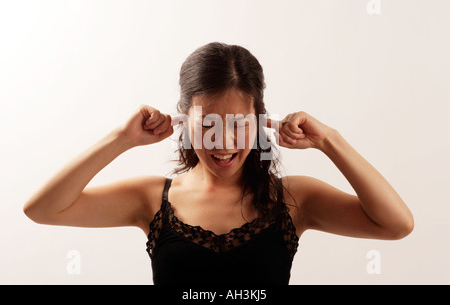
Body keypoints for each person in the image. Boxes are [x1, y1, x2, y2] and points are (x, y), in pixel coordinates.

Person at [23, 42, 414, 285]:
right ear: (184, 120)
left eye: (240, 124)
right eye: (209, 123)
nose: (224, 143)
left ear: (259, 119)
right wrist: (122, 139)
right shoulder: (151, 198)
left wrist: (330, 141)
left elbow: (396, 225)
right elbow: (42, 209)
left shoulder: (295, 197)